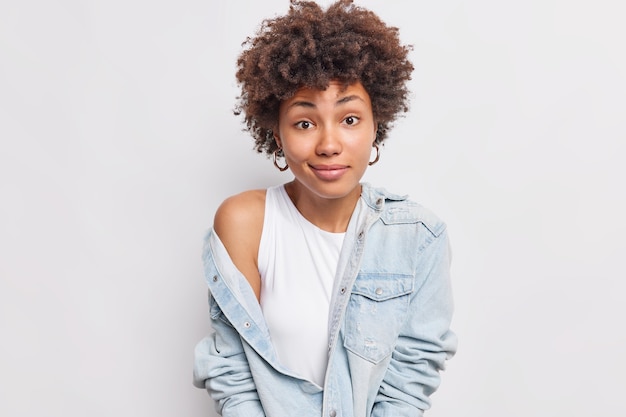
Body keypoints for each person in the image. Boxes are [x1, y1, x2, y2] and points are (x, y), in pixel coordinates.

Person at [193, 1, 457, 416]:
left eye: (350, 119)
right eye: (304, 122)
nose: (329, 144)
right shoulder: (245, 222)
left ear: (376, 127)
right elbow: (233, 373)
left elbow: (407, 385)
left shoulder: (419, 237)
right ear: (276, 135)